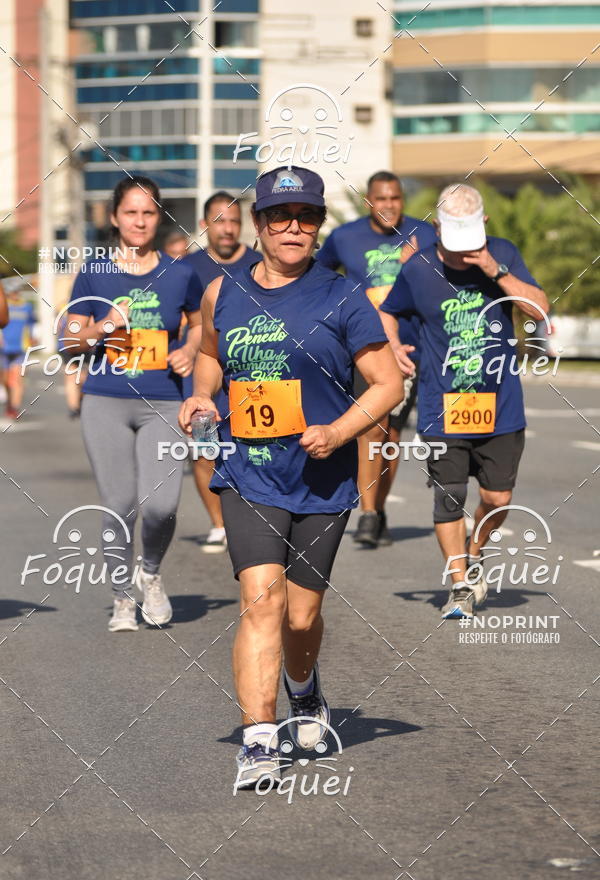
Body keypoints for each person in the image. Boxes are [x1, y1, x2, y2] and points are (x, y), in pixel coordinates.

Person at [179, 165, 404, 787]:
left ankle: (303, 689)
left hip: (322, 477)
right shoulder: (222, 292)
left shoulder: (343, 296)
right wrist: (201, 399)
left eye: (307, 217)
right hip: (248, 472)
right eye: (281, 216)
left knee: (301, 618)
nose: (294, 228)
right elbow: (208, 356)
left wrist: (338, 432)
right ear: (259, 224)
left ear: (318, 226)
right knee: (261, 601)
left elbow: (388, 384)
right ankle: (258, 740)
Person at [379, 183, 548, 618]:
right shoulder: (417, 269)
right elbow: (385, 311)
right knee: (448, 497)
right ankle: (458, 585)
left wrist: (494, 269)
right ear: (436, 227)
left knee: (498, 499)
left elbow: (540, 312)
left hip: (501, 405)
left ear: (484, 225)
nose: (459, 256)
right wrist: (394, 346)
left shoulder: (503, 253)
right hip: (442, 405)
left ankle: (476, 552)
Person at [65, 176, 202, 632]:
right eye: (131, 212)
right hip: (106, 398)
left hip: (163, 400)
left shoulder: (181, 272)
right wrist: (104, 326)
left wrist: (189, 347)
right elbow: (68, 341)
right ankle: (122, 597)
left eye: (148, 212)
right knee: (120, 504)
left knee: (162, 506)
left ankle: (152, 572)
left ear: (158, 217)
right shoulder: (94, 271)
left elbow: (204, 324)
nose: (140, 221)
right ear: (115, 218)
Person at [317, 171, 436, 547]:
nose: (388, 205)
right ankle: (368, 513)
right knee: (372, 426)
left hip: (410, 349)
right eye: (381, 199)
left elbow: (444, 280)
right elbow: (319, 277)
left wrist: (418, 265)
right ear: (369, 201)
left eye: (395, 198)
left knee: (391, 435)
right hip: (361, 348)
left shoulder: (424, 235)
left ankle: (378, 508)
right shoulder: (345, 236)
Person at [185, 192, 262, 553]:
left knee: (254, 444)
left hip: (252, 371)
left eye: (234, 221)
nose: (228, 229)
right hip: (204, 368)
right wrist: (183, 351)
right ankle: (219, 523)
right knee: (204, 447)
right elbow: (181, 319)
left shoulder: (261, 262)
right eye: (220, 221)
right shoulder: (187, 268)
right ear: (205, 225)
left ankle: (257, 514)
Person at [0, 278, 36, 418]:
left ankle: (14, 408)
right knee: (6, 381)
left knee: (17, 379)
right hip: (4, 348)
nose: (15, 294)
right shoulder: (4, 305)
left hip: (21, 348)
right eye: (12, 292)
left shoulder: (27, 307)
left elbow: (31, 324)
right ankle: (9, 403)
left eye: (17, 292)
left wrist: (32, 338)